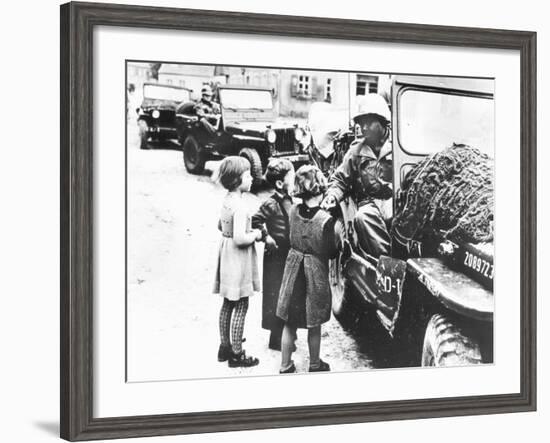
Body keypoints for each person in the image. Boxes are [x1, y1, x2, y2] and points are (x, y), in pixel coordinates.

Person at [276, 165, 338, 373]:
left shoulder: (292, 210)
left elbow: (288, 237)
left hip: (294, 272)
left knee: (289, 322)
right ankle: (314, 363)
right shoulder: (326, 220)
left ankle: (285, 365)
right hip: (314, 274)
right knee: (315, 322)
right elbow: (331, 252)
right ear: (320, 189)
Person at [321, 93, 393, 258]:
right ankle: (386, 261)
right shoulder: (356, 151)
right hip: (368, 203)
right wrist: (332, 196)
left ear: (382, 121)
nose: (363, 128)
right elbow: (340, 179)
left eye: (368, 122)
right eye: (361, 123)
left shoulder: (398, 146)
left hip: (394, 200)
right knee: (363, 217)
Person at [213, 156, 263, 368]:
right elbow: (240, 238)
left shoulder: (227, 201)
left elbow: (220, 226)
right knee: (241, 303)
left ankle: (224, 347)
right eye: (248, 175)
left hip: (226, 255)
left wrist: (235, 230)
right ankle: (237, 353)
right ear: (236, 180)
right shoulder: (241, 206)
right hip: (238, 259)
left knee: (227, 303)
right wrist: (257, 234)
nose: (252, 178)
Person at [251, 159, 295, 351]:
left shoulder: (291, 200)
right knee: (276, 294)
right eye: (291, 179)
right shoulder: (270, 203)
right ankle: (276, 338)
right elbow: (255, 221)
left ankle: (284, 335)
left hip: (288, 254)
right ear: (279, 184)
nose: (294, 183)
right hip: (275, 256)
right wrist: (266, 237)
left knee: (288, 294)